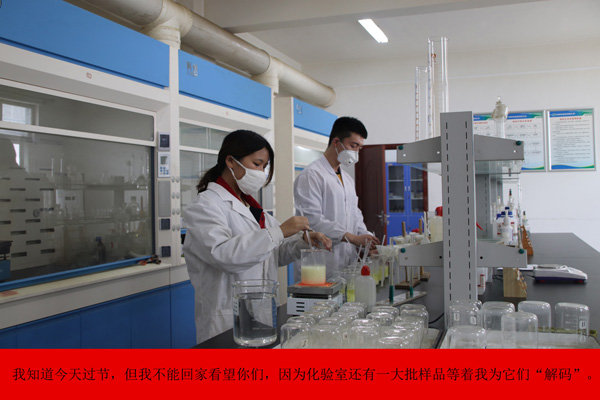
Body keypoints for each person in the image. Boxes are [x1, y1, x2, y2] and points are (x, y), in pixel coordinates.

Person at [183, 129, 332, 344]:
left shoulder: (252, 208)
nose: (261, 172)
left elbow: (273, 254)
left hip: (261, 313)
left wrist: (302, 242)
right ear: (230, 161)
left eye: (264, 166)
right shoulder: (205, 206)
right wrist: (280, 231)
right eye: (256, 164)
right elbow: (224, 255)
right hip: (226, 316)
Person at [293, 116, 379, 280]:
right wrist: (351, 238)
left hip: (347, 264)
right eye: (353, 146)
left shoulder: (347, 179)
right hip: (319, 264)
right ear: (336, 142)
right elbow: (312, 220)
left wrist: (367, 240)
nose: (356, 152)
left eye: (359, 148)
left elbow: (355, 215)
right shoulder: (311, 175)